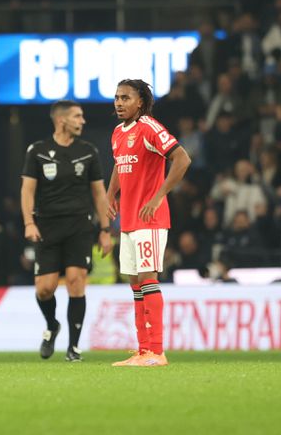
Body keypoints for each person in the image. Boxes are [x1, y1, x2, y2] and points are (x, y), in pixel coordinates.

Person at [107, 80, 191, 367]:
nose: (119, 103)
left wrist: (159, 196)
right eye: (117, 97)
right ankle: (143, 350)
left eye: (125, 98)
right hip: (128, 220)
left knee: (148, 278)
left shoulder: (149, 127)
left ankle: (157, 351)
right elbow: (120, 164)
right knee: (134, 283)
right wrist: (110, 195)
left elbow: (182, 159)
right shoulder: (118, 133)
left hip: (150, 219)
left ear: (140, 102)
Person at [21, 100, 113, 362]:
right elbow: (27, 190)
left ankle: (74, 348)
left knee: (76, 281)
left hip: (79, 226)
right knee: (45, 289)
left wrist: (105, 229)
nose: (82, 121)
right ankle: (52, 325)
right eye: (77, 116)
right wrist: (29, 222)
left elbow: (98, 192)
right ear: (61, 120)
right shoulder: (37, 151)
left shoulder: (88, 151)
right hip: (47, 227)